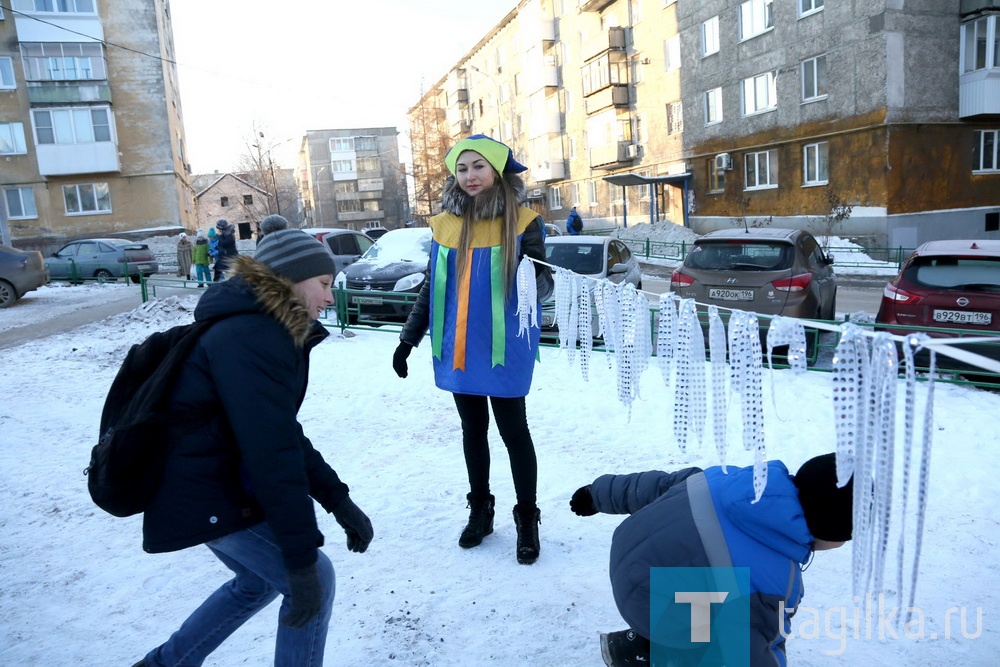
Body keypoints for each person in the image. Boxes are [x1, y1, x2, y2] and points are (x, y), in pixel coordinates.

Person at [131, 229, 374, 667]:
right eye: (323, 284)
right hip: (202, 487)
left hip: (205, 479)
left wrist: (338, 500)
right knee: (313, 579)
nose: (328, 298)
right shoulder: (253, 336)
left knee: (255, 581)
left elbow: (280, 430)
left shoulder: (263, 325)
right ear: (292, 279)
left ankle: (166, 663)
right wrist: (300, 558)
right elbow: (272, 452)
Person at [392, 134, 554, 565]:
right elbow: (431, 286)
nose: (470, 176)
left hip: (504, 345)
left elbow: (545, 283)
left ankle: (527, 518)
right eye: (462, 169)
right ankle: (480, 510)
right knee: (472, 430)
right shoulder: (444, 225)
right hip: (457, 342)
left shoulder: (523, 222)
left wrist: (531, 279)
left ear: (498, 170)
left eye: (478, 167)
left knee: (513, 431)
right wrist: (408, 339)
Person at [570, 453, 855, 667]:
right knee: (723, 637)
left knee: (716, 594)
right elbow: (755, 648)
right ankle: (647, 653)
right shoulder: (778, 578)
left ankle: (640, 641)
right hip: (645, 595)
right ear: (829, 529)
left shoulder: (732, 478)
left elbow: (659, 486)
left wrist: (598, 494)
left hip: (627, 548)